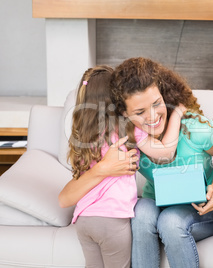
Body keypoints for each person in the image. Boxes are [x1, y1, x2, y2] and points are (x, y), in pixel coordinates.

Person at [59, 57, 213, 268]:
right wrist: (103, 168)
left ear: (164, 95)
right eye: (139, 112)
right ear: (123, 114)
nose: (152, 117)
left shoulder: (195, 129)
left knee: (170, 221)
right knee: (140, 212)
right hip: (156, 202)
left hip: (198, 209)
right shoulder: (129, 139)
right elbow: (68, 194)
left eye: (157, 104)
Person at [61, 65, 187, 268]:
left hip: (84, 218)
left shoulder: (83, 137)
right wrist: (177, 115)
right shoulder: (127, 128)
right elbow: (166, 152)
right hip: (112, 220)